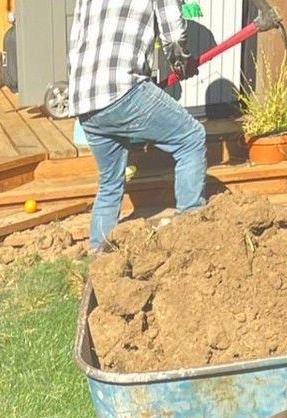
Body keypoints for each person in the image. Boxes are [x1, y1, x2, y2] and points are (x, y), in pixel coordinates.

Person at [68, 0, 208, 250]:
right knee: (191, 138)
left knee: (110, 183)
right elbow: (173, 34)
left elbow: (76, 41)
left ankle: (98, 255)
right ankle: (192, 230)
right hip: (124, 88)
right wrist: (181, 62)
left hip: (84, 99)